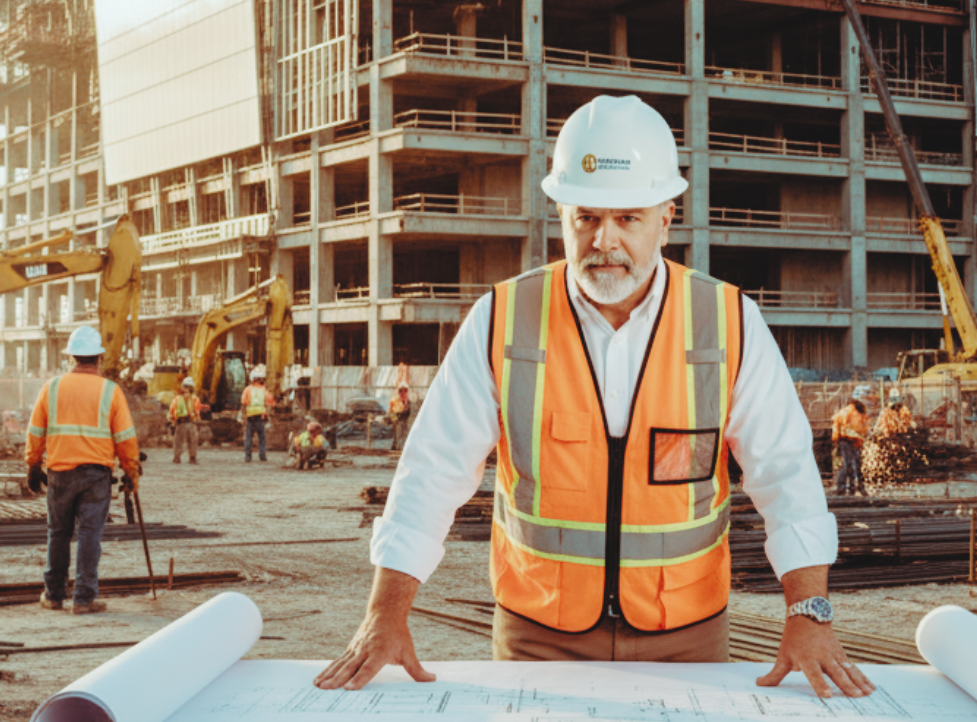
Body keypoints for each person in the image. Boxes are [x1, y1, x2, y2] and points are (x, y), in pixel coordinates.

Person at [314, 95, 869, 699]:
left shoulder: (728, 321)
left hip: (686, 636)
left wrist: (808, 616)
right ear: (561, 216)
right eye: (586, 218)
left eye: (628, 218)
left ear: (667, 216)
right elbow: (432, 470)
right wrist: (386, 613)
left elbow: (786, 476)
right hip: (536, 634)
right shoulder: (504, 318)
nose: (604, 240)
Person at [24, 326, 140, 615]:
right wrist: (131, 472)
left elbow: (35, 431)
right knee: (89, 535)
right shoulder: (110, 391)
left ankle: (53, 595)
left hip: (59, 473)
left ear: (72, 357)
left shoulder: (51, 388)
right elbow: (125, 438)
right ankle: (83, 600)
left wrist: (32, 464)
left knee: (58, 533)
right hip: (95, 475)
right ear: (98, 358)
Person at [831, 398, 870, 497]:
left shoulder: (847, 412)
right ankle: (852, 487)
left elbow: (837, 421)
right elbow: (862, 428)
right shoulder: (852, 412)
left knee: (851, 465)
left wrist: (836, 436)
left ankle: (847, 487)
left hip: (848, 439)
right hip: (850, 439)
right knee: (853, 465)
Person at [241, 365, 273, 463]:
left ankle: (248, 457)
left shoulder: (248, 389)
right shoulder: (264, 390)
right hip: (260, 416)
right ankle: (262, 456)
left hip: (250, 416)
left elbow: (243, 402)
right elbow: (270, 401)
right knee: (261, 438)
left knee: (249, 437)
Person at [169, 377, 201, 465]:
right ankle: (192, 458)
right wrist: (197, 420)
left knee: (178, 441)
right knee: (192, 441)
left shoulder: (177, 399)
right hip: (191, 423)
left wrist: (172, 421)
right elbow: (197, 410)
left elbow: (172, 410)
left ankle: (177, 458)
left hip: (180, 423)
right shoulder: (195, 398)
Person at [387, 386, 414, 451]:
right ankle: (396, 446)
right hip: (397, 419)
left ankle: (400, 446)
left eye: (405, 393)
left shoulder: (408, 402)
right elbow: (391, 411)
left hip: (404, 420)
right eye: (402, 393)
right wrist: (395, 419)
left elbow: (408, 412)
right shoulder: (395, 401)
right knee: (397, 432)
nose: (403, 395)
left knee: (403, 433)